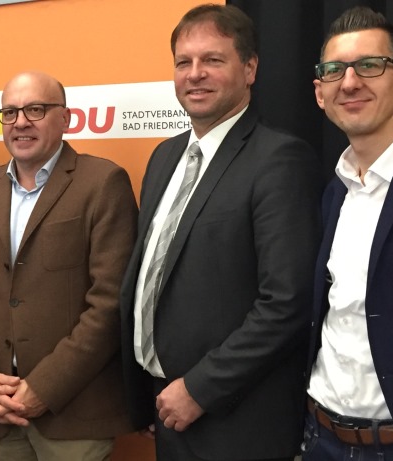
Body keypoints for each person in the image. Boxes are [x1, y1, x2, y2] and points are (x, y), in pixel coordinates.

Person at [118, 4, 322, 460]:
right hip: (166, 408)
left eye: (212, 59)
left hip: (235, 421)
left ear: (249, 69)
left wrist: (199, 388)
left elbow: (287, 303)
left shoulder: (279, 160)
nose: (195, 74)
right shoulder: (164, 158)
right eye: (183, 62)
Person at [0, 71, 137, 461]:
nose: (21, 122)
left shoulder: (103, 183)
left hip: (72, 414)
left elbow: (110, 304)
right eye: (10, 112)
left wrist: (44, 388)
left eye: (35, 109)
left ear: (65, 118)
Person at [303, 6, 393, 460]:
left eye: (369, 65)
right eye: (334, 70)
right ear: (319, 93)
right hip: (320, 439)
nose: (349, 82)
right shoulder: (333, 193)